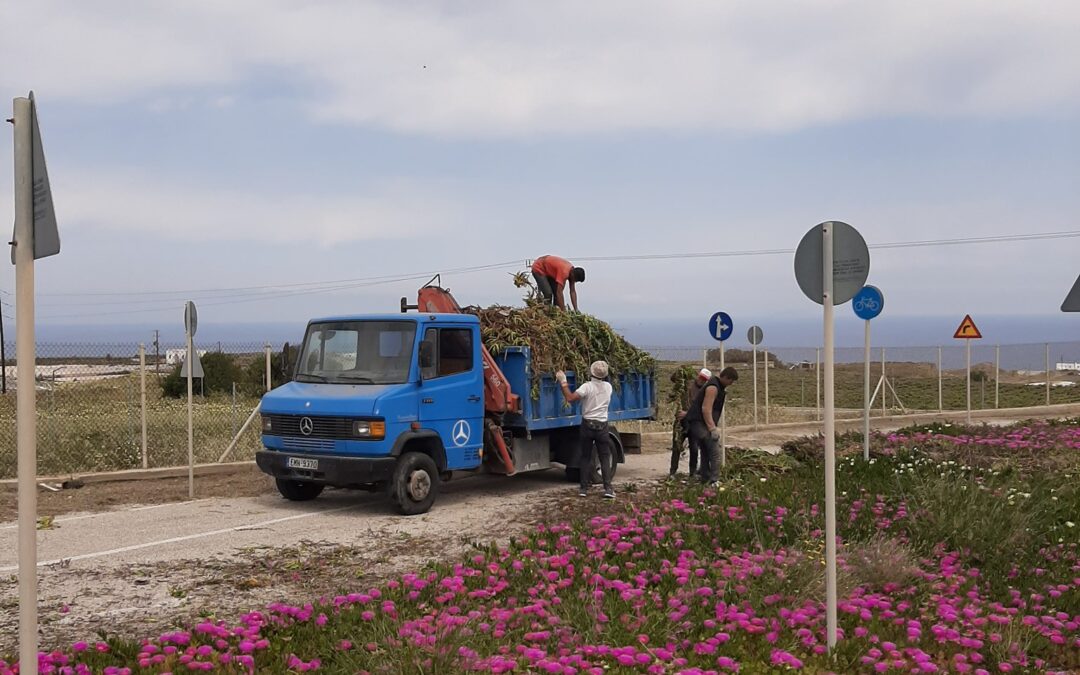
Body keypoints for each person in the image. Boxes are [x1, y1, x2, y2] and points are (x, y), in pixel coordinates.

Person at [555, 361, 615, 499]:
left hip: (587, 425)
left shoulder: (587, 387)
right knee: (604, 457)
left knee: (585, 457)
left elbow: (570, 398)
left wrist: (563, 381)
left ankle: (583, 489)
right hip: (602, 426)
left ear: (591, 372)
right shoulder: (608, 387)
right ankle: (608, 489)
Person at [683, 366, 739, 485]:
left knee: (705, 450)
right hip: (698, 422)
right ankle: (714, 479)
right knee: (714, 450)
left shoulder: (717, 386)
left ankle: (705, 478)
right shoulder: (713, 387)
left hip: (699, 422)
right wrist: (712, 428)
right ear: (725, 377)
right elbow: (706, 409)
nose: (731, 384)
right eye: (731, 381)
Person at [670, 368, 711, 477]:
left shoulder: (705, 392)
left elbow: (702, 409)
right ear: (697, 375)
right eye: (701, 377)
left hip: (694, 423)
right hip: (681, 422)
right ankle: (672, 472)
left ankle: (692, 473)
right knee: (677, 446)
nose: (701, 380)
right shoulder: (686, 384)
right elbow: (674, 379)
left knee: (694, 448)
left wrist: (687, 413)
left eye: (704, 379)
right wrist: (681, 370)